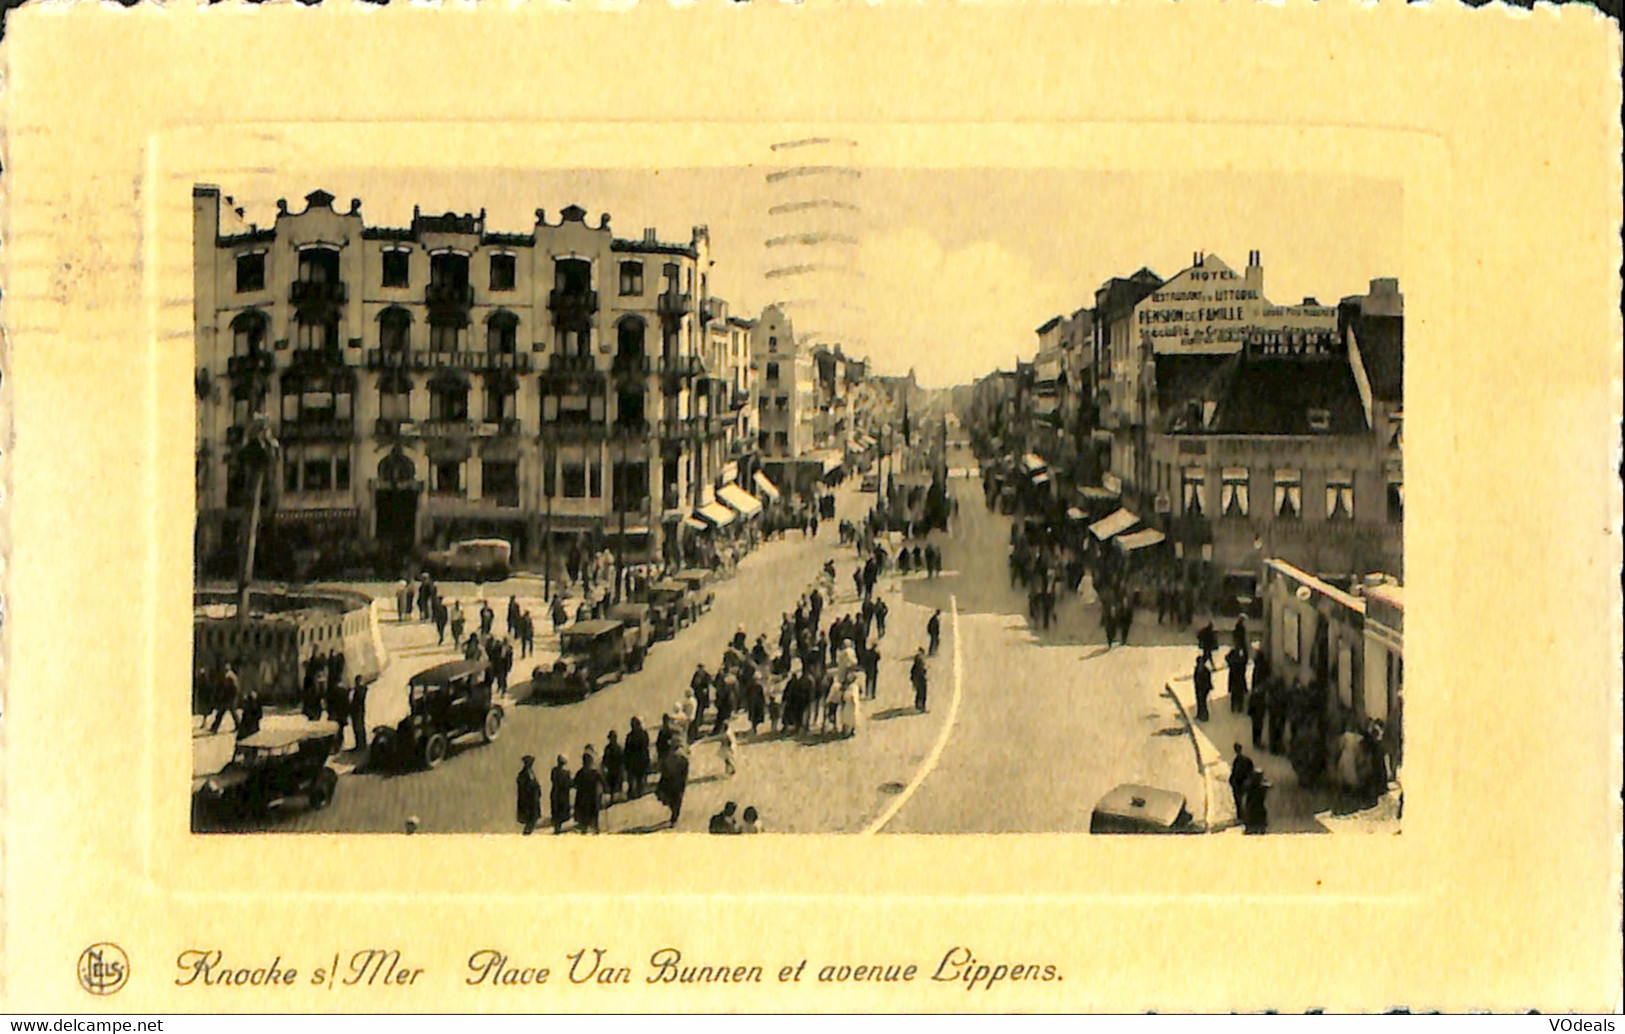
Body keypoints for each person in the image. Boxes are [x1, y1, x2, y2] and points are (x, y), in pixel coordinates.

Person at [656, 741, 690, 828]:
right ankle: (674, 817)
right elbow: (685, 774)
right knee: (676, 801)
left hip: (670, 783)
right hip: (677, 784)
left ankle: (674, 817)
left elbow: (663, 771)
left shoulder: (669, 758)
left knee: (672, 801)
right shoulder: (683, 759)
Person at [572, 752, 605, 834]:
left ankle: (587, 829)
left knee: (585, 815)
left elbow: (574, 784)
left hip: (583, 797)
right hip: (592, 797)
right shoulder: (594, 773)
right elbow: (603, 782)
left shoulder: (580, 773)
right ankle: (595, 829)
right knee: (593, 813)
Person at [207, 662, 240, 734]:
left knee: (221, 713)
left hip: (229, 697)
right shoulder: (231, 675)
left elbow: (230, 688)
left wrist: (225, 696)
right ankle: (238, 726)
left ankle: (214, 728)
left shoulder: (229, 676)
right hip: (229, 697)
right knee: (229, 713)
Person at [1228, 744, 1256, 824]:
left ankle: (1241, 816)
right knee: (1240, 800)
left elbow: (1235, 772)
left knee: (1239, 800)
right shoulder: (1243, 760)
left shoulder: (1238, 761)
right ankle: (1242, 815)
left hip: (1240, 783)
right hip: (1239, 783)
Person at [624, 717, 651, 797]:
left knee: (640, 777)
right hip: (634, 761)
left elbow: (645, 746)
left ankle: (640, 791)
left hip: (641, 760)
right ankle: (634, 792)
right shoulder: (630, 737)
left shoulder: (643, 734)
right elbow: (627, 750)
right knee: (634, 778)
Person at [516, 756, 542, 835]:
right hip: (528, 799)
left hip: (533, 798)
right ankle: (527, 831)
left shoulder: (530, 772)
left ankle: (528, 830)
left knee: (533, 816)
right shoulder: (523, 774)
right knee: (530, 816)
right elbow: (524, 786)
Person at [325, 669, 352, 746]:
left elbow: (330, 702)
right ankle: (340, 742)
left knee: (335, 729)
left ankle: (336, 743)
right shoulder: (344, 691)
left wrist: (329, 711)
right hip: (342, 713)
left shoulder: (333, 691)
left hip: (336, 713)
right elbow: (347, 702)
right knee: (341, 729)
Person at [550, 756, 573, 834]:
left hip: (555, 794)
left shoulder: (554, 771)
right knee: (561, 812)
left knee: (556, 813)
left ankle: (557, 828)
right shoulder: (566, 773)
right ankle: (558, 829)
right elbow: (569, 784)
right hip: (563, 795)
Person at [1242, 770, 1270, 834]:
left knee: (1254, 815)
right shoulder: (1260, 785)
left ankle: (1253, 828)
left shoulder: (1249, 784)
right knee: (1257, 815)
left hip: (1253, 805)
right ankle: (1257, 828)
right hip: (1256, 805)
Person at [603, 730, 625, 803]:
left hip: (617, 769)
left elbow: (622, 759)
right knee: (611, 785)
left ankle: (620, 798)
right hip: (611, 770)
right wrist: (605, 766)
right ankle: (612, 799)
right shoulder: (607, 749)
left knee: (618, 784)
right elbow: (605, 759)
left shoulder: (619, 748)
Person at [349, 675, 369, 753]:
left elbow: (359, 699)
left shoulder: (360, 689)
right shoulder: (360, 689)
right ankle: (360, 745)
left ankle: (360, 745)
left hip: (358, 711)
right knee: (358, 728)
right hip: (356, 711)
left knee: (359, 728)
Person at [1227, 646, 1249, 714]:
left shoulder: (1233, 663)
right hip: (1239, 680)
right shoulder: (1241, 662)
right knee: (1239, 694)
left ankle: (1234, 707)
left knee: (1235, 694)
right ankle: (1239, 707)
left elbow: (1227, 658)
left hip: (1235, 680)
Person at [1247, 677, 1269, 749]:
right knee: (1257, 730)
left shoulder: (1256, 696)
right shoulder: (1259, 697)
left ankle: (1256, 742)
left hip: (1257, 715)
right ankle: (1257, 743)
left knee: (1256, 730)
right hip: (1257, 716)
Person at [1193, 654, 1213, 723]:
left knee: (1203, 702)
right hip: (1198, 688)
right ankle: (1199, 715)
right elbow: (1195, 678)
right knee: (1199, 701)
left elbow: (1208, 679)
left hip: (1204, 688)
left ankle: (1205, 716)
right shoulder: (1197, 670)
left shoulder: (1206, 670)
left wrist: (1209, 686)